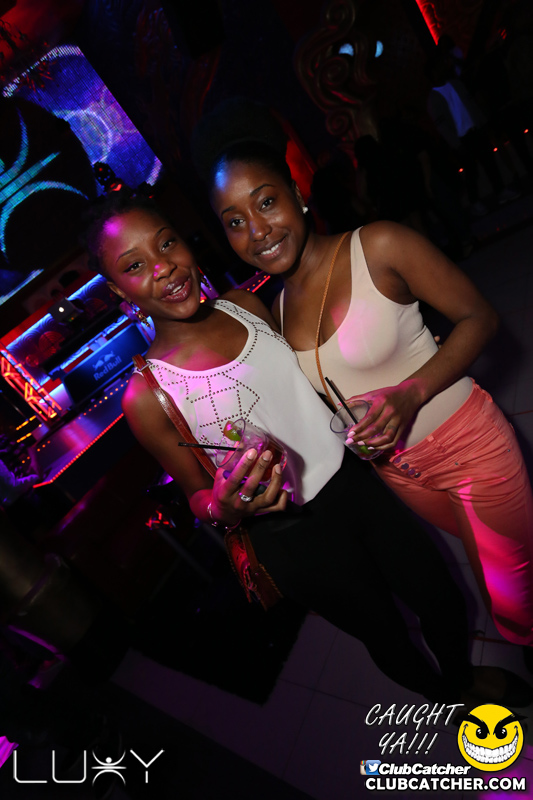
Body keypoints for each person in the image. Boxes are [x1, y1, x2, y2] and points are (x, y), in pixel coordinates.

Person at [81, 190, 531, 705]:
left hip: (358, 487)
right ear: (117, 290)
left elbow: (305, 387)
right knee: (385, 635)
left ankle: (462, 678)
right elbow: (197, 496)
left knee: (441, 596)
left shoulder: (246, 306)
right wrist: (224, 505)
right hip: (291, 537)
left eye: (166, 244)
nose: (163, 268)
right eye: (135, 266)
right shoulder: (146, 395)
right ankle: (445, 700)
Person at [191, 98, 533, 659]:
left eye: (267, 202)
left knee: (514, 602)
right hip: (402, 475)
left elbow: (481, 318)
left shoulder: (379, 244)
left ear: (297, 193)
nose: (257, 230)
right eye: (235, 222)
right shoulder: (276, 312)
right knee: (494, 570)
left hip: (470, 446)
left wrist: (410, 393)